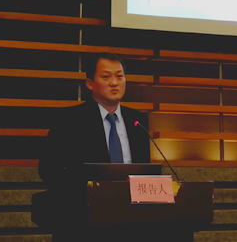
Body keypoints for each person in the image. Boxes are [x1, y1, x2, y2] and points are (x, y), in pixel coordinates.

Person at [35, 53, 152, 237]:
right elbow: (48, 169)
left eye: (119, 76)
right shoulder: (69, 120)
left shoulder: (138, 120)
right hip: (83, 220)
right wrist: (82, 194)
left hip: (131, 219)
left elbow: (144, 169)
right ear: (90, 83)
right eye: (106, 77)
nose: (114, 83)